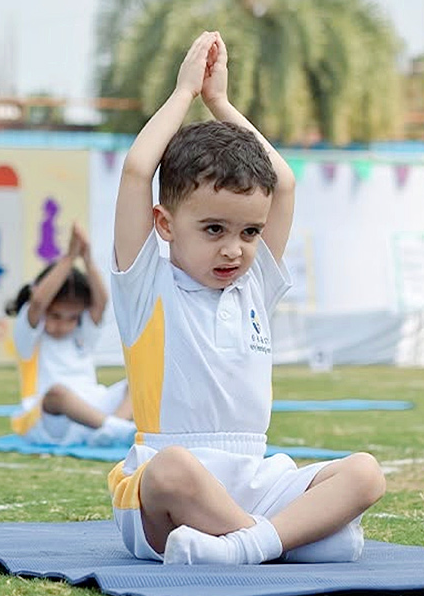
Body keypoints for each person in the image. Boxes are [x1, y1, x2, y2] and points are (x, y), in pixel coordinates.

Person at [107, 30, 385, 565]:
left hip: (257, 479)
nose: (234, 250)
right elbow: (139, 170)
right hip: (170, 491)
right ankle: (280, 541)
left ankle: (241, 546)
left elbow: (283, 184)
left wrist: (223, 104)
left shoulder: (256, 284)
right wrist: (186, 94)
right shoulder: (146, 286)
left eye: (249, 233)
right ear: (164, 224)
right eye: (213, 229)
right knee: (172, 469)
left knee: (365, 473)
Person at [5, 222, 135, 446]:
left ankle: (111, 427)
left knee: (137, 381)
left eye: (71, 317)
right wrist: (69, 257)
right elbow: (38, 301)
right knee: (57, 393)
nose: (63, 325)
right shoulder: (30, 337)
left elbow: (101, 302)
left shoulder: (82, 333)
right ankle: (116, 428)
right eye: (55, 316)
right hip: (48, 420)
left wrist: (87, 260)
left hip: (92, 412)